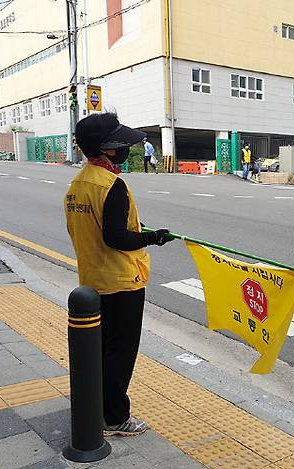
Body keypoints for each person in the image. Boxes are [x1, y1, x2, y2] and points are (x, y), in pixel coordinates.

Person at [65, 112, 174, 437]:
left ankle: (96, 407)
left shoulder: (78, 183)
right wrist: (152, 238)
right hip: (121, 282)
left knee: (99, 351)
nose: (127, 150)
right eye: (122, 145)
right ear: (109, 150)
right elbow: (115, 238)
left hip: (92, 280)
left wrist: (139, 231)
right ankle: (115, 418)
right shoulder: (113, 185)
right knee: (120, 354)